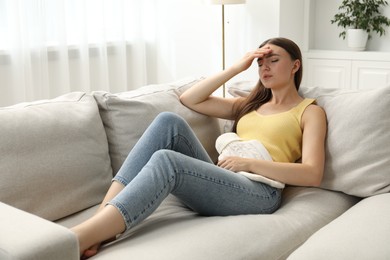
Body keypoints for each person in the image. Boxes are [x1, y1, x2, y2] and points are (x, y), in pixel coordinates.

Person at [71, 37, 327, 258]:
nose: (264, 67)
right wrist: (238, 67)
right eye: (260, 62)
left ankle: (83, 236)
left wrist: (248, 164)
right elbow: (190, 98)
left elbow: (312, 173)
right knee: (168, 122)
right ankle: (100, 220)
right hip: (224, 179)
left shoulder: (309, 112)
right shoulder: (248, 104)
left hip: (260, 192)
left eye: (273, 60)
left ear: (295, 65)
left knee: (167, 160)